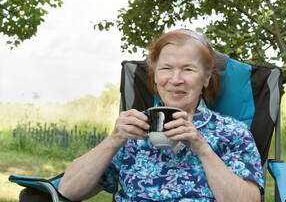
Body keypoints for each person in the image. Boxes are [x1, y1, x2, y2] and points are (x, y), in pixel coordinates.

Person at [58, 29, 264, 202]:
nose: (175, 79)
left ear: (206, 78)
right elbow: (68, 190)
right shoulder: (133, 128)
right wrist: (114, 141)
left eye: (188, 69)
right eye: (166, 68)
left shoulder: (232, 132)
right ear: (155, 76)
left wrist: (202, 149)